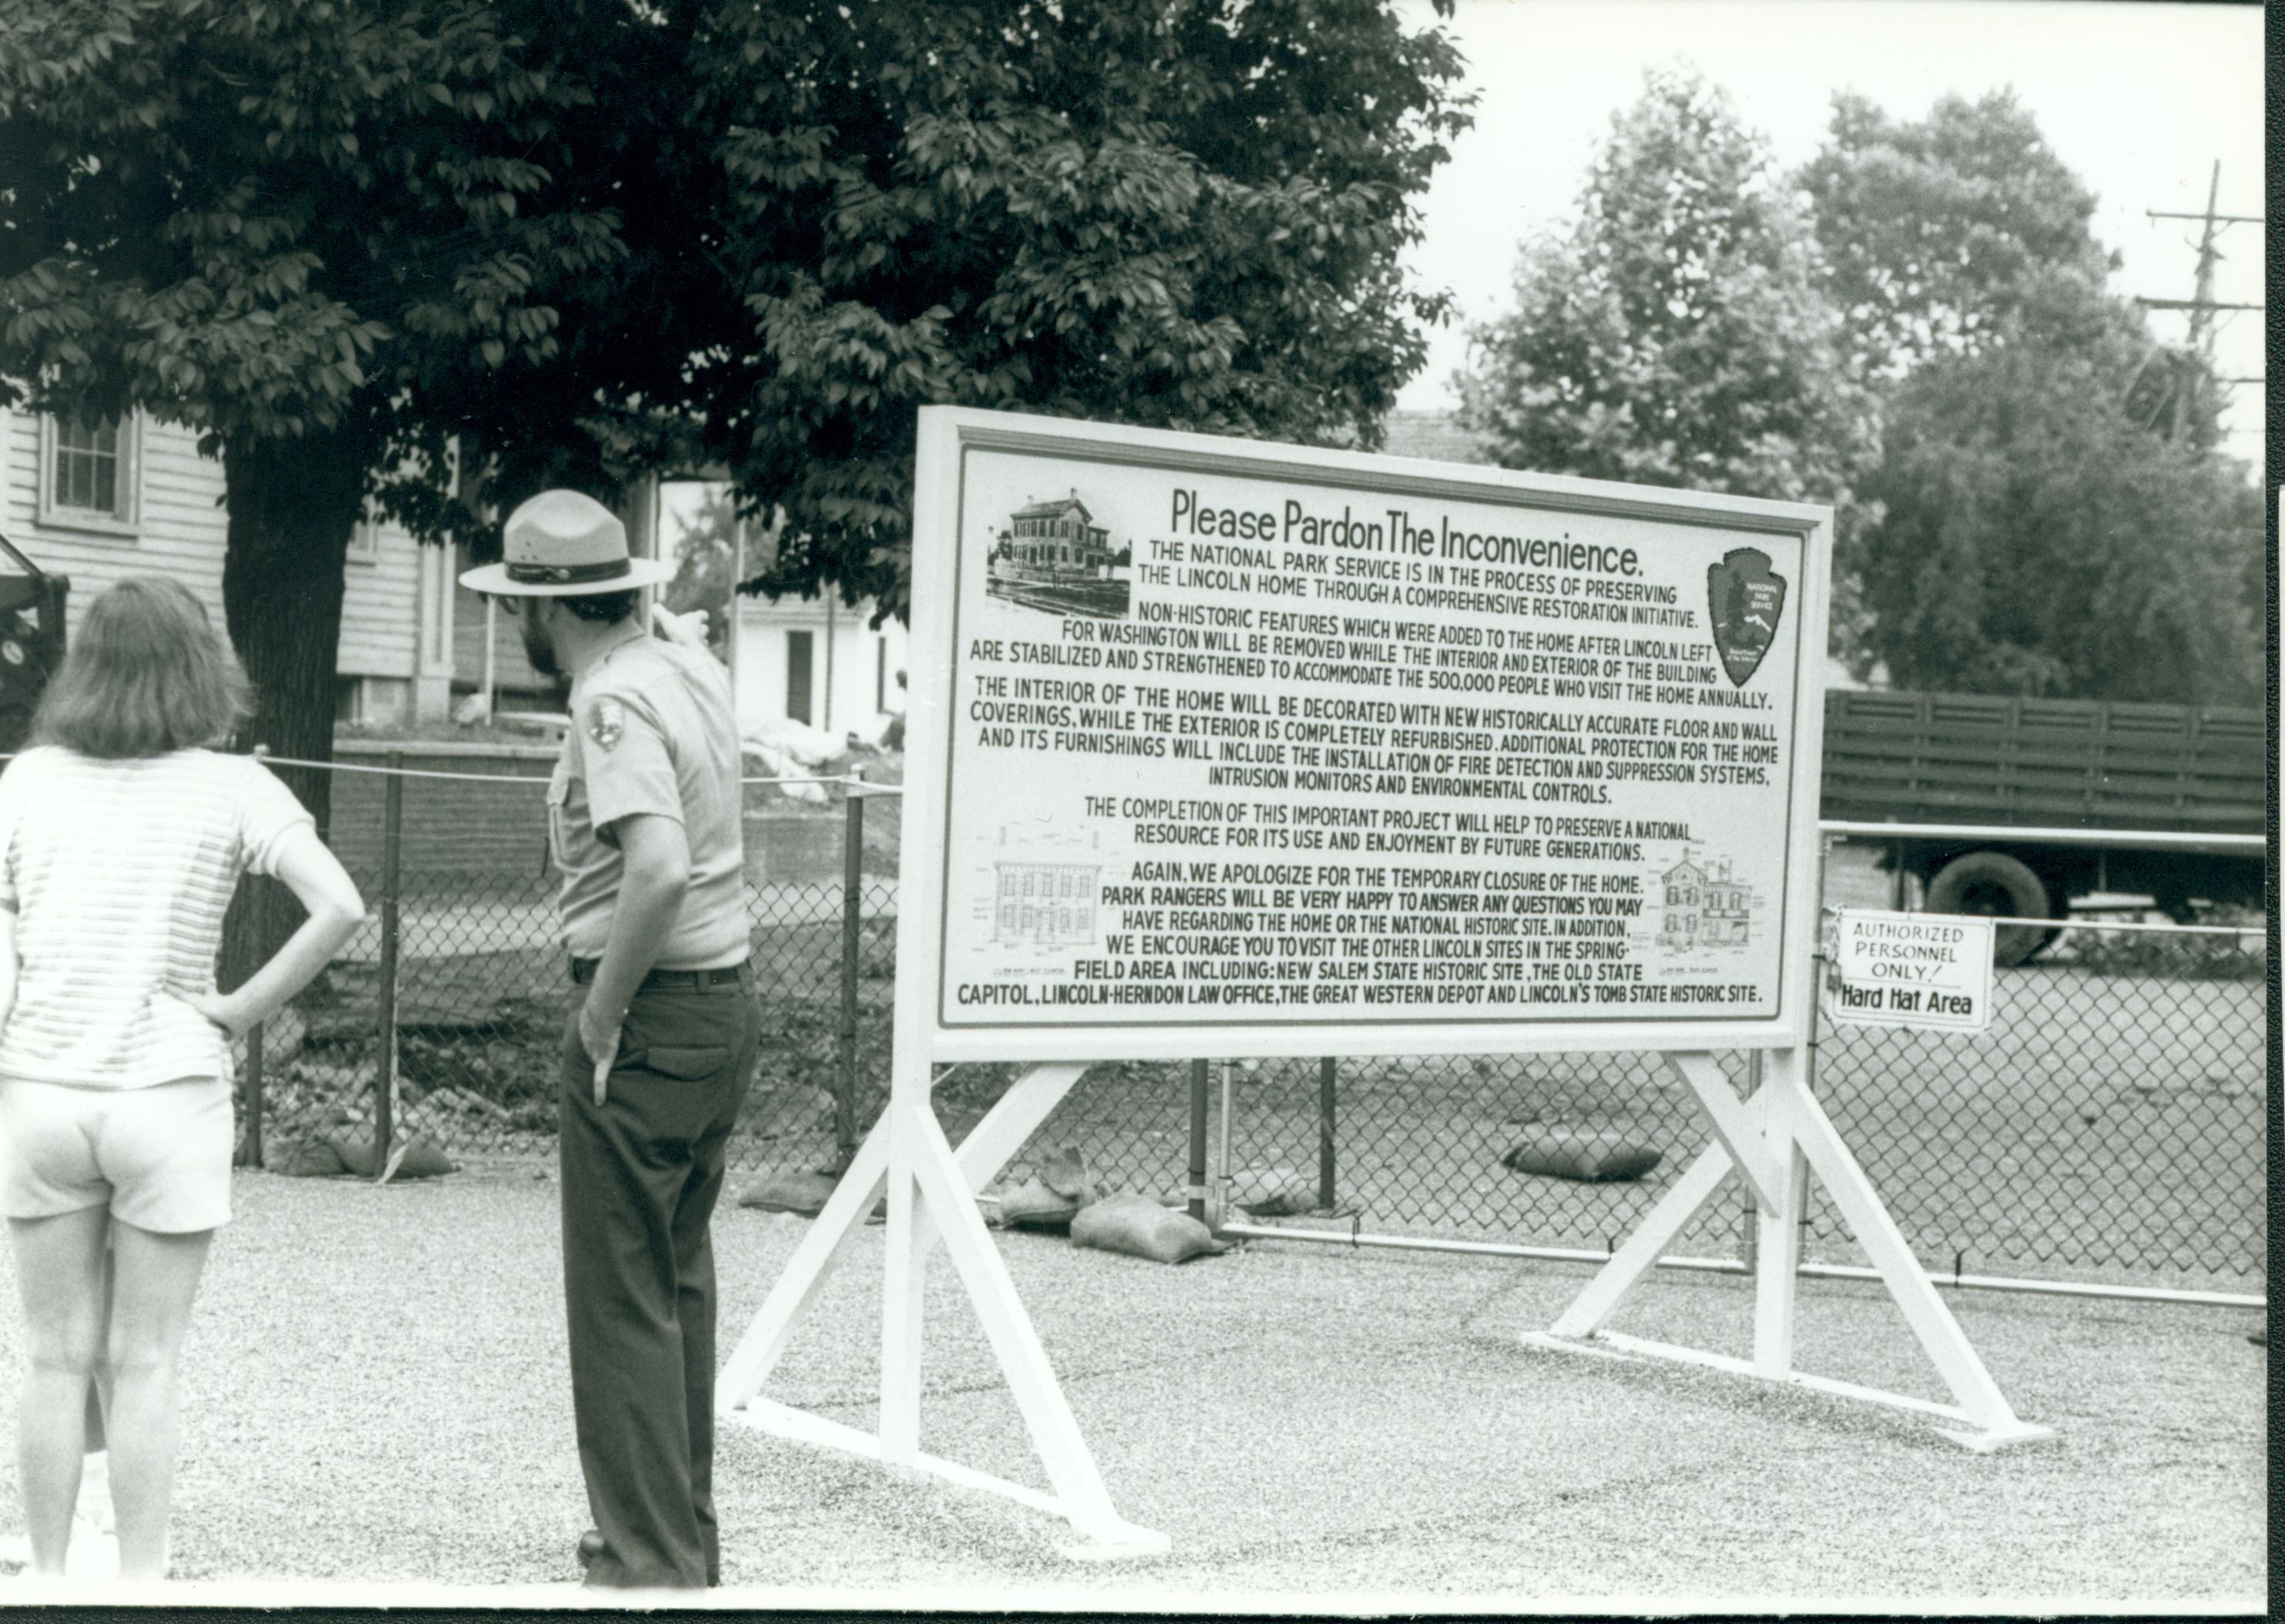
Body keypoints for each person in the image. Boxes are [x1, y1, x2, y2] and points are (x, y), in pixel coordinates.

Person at [0, 577, 364, 1581]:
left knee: (53, 1356)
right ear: (203, 668)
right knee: (145, 1361)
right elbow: (338, 905)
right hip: (168, 1089)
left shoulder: (25, 781)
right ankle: (142, 1585)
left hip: (42, 1088)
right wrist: (242, 1009)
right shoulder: (232, 787)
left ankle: (43, 1578)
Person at [461, 490, 760, 1589]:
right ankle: (678, 1540)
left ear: (552, 611)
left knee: (618, 1298)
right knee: (672, 1283)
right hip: (719, 1008)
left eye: (515, 612)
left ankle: (645, 1560)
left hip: (647, 1011)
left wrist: (599, 1015)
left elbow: (659, 866)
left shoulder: (613, 703)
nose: (512, 633)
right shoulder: (684, 667)